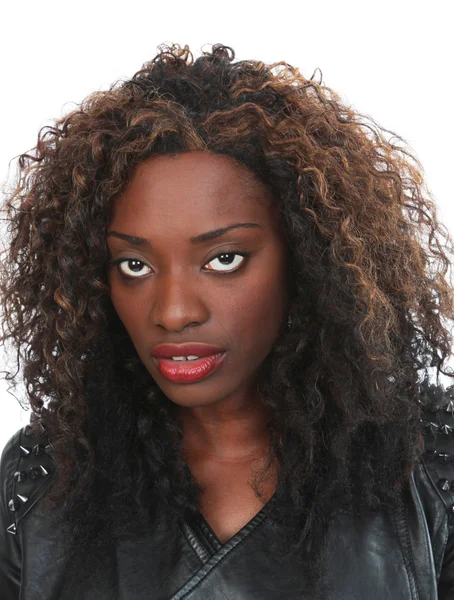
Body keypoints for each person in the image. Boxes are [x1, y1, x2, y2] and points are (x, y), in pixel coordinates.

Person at [0, 42, 453, 599]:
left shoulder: (432, 469)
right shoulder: (43, 481)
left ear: (310, 259)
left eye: (223, 259)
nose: (173, 312)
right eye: (134, 265)